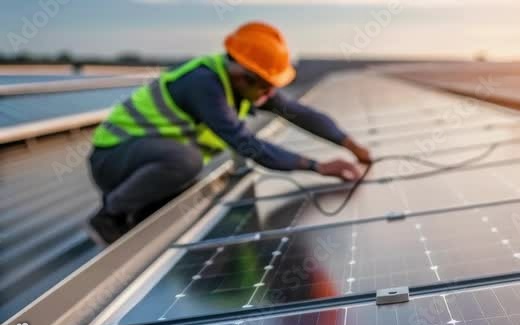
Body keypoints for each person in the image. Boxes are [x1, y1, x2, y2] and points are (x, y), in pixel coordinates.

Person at [86, 21, 371, 245]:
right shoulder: (203, 84)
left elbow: (300, 114)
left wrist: (350, 144)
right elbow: (247, 144)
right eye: (264, 85)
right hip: (111, 160)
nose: (271, 94)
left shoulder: (247, 85)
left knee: (185, 166)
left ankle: (139, 211)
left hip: (144, 159)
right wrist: (318, 166)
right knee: (186, 162)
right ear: (241, 76)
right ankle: (108, 217)